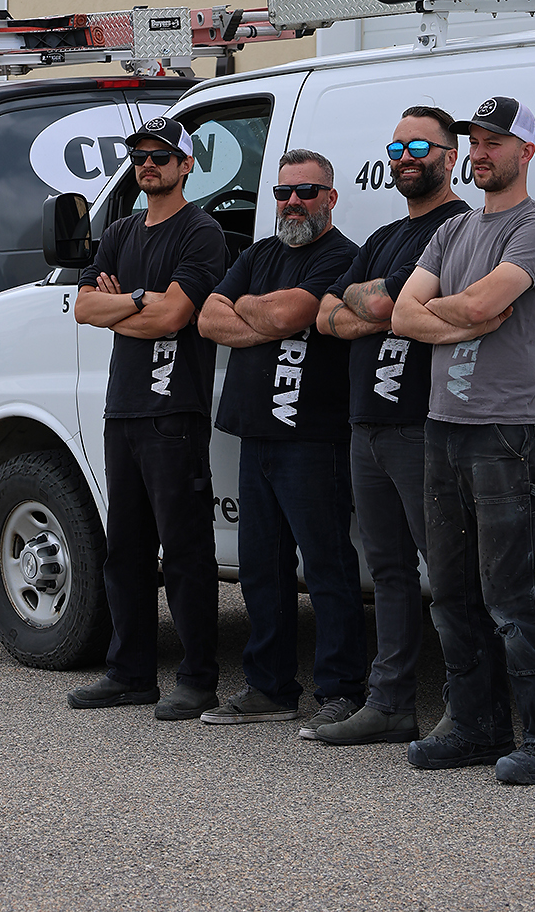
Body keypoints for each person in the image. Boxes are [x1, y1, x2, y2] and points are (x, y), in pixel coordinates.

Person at [392, 96, 535, 785]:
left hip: (505, 433)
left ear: (525, 152)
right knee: (449, 593)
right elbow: (406, 315)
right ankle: (475, 727)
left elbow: (465, 305)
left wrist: (451, 314)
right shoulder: (454, 231)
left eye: (496, 143)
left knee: (516, 595)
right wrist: (464, 323)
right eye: (475, 141)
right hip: (444, 428)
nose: (480, 153)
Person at [311, 106, 469, 745]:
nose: (406, 157)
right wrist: (377, 305)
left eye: (420, 146)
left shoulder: (458, 229)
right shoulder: (379, 238)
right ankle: (391, 703)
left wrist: (377, 305)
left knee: (450, 570)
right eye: (397, 145)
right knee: (389, 569)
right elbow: (330, 317)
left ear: (450, 156)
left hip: (420, 422)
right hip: (366, 424)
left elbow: (384, 307)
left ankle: (469, 706)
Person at [196, 150, 366, 734]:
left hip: (313, 437)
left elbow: (296, 312)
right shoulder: (259, 254)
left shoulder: (343, 256)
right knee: (260, 567)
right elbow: (206, 319)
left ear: (331, 198)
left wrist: (258, 313)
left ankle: (343, 689)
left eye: (307, 192)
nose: (292, 203)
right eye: (283, 192)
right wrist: (264, 317)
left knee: (327, 565)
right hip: (256, 433)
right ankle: (269, 687)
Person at [67, 116, 226, 721]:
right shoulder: (121, 231)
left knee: (184, 551)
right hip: (123, 409)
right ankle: (130, 673)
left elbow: (174, 318)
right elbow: (83, 307)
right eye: (140, 155)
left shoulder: (201, 233)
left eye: (162, 155)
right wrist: (137, 300)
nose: (148, 164)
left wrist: (125, 304)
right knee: (124, 550)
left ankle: (197, 679)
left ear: (186, 165)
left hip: (172, 413)